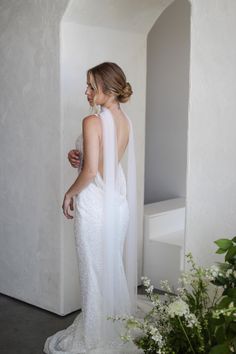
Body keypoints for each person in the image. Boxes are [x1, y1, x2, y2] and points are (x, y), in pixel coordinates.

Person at [43, 62, 143, 354]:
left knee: (94, 272)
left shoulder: (92, 121)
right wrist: (80, 156)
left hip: (94, 205)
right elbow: (102, 163)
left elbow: (89, 174)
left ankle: (96, 336)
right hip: (116, 206)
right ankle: (111, 324)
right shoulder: (125, 120)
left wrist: (68, 194)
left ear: (107, 89)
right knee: (109, 269)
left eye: (91, 86)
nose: (86, 92)